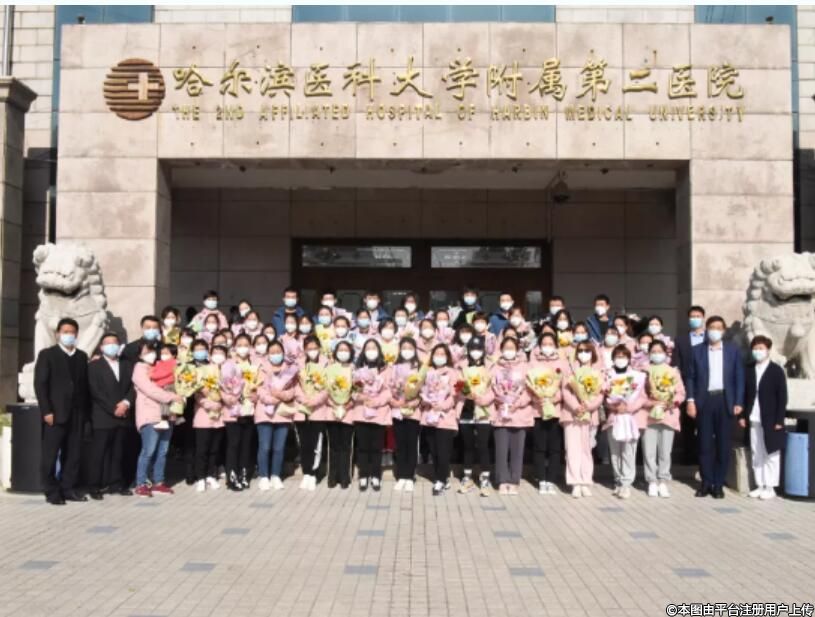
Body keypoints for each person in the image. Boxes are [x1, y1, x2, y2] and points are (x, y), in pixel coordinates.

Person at [686, 316, 745, 499]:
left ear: (724, 330)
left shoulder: (733, 350)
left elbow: (739, 377)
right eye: (712, 327)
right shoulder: (697, 350)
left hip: (725, 400)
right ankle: (706, 482)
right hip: (704, 401)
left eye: (719, 328)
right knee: (704, 444)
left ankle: (718, 484)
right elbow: (690, 377)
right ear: (706, 329)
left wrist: (738, 402)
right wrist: (690, 400)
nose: (715, 331)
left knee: (723, 444)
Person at [35, 318, 91, 505]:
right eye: (65, 332)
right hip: (55, 413)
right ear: (58, 333)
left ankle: (68, 488)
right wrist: (46, 410)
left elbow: (84, 385)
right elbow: (41, 384)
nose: (69, 335)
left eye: (72, 332)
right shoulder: (48, 354)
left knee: (73, 454)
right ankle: (51, 491)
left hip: (77, 413)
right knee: (50, 455)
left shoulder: (81, 356)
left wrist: (85, 414)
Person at [131, 341, 184, 497]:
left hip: (167, 414)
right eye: (146, 351)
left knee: (163, 451)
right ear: (140, 354)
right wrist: (172, 397)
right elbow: (150, 390)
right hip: (150, 415)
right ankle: (141, 483)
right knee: (148, 450)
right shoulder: (140, 368)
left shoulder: (161, 366)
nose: (151, 354)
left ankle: (158, 482)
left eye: (153, 351)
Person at [87, 332, 135, 500]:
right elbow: (95, 391)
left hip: (123, 415)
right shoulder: (94, 366)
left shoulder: (127, 364)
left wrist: (126, 403)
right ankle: (94, 486)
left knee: (118, 452)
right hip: (103, 416)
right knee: (98, 453)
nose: (111, 346)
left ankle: (116, 483)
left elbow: (133, 387)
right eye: (107, 343)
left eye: (114, 342)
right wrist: (113, 408)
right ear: (101, 347)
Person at [741, 335, 788, 500]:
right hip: (753, 417)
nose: (758, 351)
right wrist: (742, 416)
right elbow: (744, 394)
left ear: (768, 350)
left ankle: (770, 486)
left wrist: (779, 420)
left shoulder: (776, 370)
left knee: (771, 452)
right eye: (755, 348)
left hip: (771, 419)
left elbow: (782, 397)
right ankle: (759, 484)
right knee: (757, 452)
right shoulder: (748, 369)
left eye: (761, 348)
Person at [641, 340, 686, 498]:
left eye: (659, 351)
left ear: (666, 353)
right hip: (649, 416)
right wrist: (651, 403)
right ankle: (651, 481)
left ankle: (663, 480)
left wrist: (672, 402)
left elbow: (680, 392)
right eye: (653, 351)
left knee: (665, 452)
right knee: (649, 451)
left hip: (668, 415)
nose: (656, 354)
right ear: (649, 353)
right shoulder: (643, 371)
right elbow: (639, 395)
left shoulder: (673, 371)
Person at [602, 345, 646, 499]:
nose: (620, 359)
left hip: (630, 418)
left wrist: (628, 407)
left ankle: (626, 483)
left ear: (629, 359)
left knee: (628, 451)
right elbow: (603, 397)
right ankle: (618, 480)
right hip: (614, 418)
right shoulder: (607, 375)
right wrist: (613, 405)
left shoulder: (638, 376)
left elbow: (642, 397)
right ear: (613, 358)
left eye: (624, 356)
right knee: (615, 452)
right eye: (617, 356)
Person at [561, 341, 604, 498]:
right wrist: (575, 406)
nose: (583, 354)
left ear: (593, 353)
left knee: (586, 449)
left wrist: (589, 405)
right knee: (572, 449)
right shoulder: (569, 370)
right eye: (580, 351)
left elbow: (600, 394)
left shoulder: (598, 372)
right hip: (571, 415)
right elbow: (565, 391)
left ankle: (585, 481)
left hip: (590, 416)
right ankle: (575, 482)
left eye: (587, 351)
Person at [490, 337, 532, 496]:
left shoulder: (525, 367)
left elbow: (530, 391)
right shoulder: (495, 367)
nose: (509, 351)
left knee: (517, 450)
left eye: (512, 348)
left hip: (519, 414)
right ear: (501, 350)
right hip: (501, 414)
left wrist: (518, 403)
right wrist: (499, 399)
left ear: (517, 350)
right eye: (506, 348)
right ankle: (502, 480)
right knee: (501, 450)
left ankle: (514, 480)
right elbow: (489, 388)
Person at [528, 332, 568, 495]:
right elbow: (528, 385)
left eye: (550, 344)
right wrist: (538, 398)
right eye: (544, 344)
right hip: (538, 410)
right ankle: (541, 479)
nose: (547, 347)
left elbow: (565, 387)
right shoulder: (533, 362)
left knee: (554, 448)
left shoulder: (562, 363)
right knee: (539, 447)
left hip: (555, 411)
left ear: (556, 346)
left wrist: (553, 398)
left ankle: (551, 479)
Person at [256, 339, 299, 491]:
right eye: (272, 352)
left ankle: (275, 475)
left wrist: (281, 395)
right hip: (264, 413)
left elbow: (293, 390)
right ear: (268, 354)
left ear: (283, 353)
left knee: (279, 448)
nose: (275, 355)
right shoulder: (262, 368)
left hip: (282, 412)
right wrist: (272, 399)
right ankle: (264, 476)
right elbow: (259, 390)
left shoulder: (290, 369)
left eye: (278, 352)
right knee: (265, 446)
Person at [352, 339, 392, 491]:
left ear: (379, 350)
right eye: (368, 348)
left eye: (374, 348)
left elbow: (389, 392)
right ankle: (363, 475)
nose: (371, 351)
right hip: (361, 412)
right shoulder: (357, 368)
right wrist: (361, 397)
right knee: (363, 447)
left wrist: (376, 401)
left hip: (379, 413)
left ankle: (375, 475)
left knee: (377, 447)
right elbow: (352, 390)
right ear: (363, 351)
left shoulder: (386, 369)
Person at [219, 334, 258, 491]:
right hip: (232, 410)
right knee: (233, 444)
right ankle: (232, 477)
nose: (243, 348)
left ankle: (244, 474)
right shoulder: (228, 364)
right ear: (234, 347)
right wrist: (229, 398)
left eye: (246, 345)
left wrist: (255, 395)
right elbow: (221, 387)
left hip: (249, 410)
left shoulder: (254, 364)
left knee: (246, 445)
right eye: (240, 345)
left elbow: (261, 385)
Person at [420, 343, 459, 496]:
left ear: (447, 356)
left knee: (443, 451)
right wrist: (427, 401)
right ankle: (441, 477)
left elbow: (455, 395)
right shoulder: (427, 372)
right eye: (437, 354)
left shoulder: (452, 373)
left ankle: (440, 480)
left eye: (442, 354)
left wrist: (442, 406)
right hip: (429, 416)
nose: (439, 357)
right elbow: (421, 390)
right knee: (434, 451)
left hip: (445, 418)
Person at [456, 337, 493, 496]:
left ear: (483, 350)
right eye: (472, 349)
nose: (475, 352)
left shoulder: (490, 366)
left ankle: (485, 478)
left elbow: (494, 388)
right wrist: (467, 393)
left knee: (483, 445)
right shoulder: (462, 366)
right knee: (468, 446)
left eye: (478, 349)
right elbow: (458, 385)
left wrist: (482, 398)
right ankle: (467, 477)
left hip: (483, 411)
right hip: (466, 410)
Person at [673, 305, 707, 465]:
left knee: (704, 424)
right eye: (692, 316)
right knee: (687, 423)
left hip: (706, 386)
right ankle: (688, 455)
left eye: (698, 316)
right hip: (687, 384)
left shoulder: (710, 339)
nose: (695, 319)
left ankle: (703, 455)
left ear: (703, 318)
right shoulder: (681, 340)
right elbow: (677, 363)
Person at [294, 336, 327, 490]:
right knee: (304, 444)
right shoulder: (299, 364)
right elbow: (295, 385)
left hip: (318, 410)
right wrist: (303, 398)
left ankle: (314, 473)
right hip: (302, 410)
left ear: (319, 348)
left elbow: (328, 387)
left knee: (316, 444)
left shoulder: (326, 364)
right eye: (309, 348)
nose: (312, 351)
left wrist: (314, 400)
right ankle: (306, 472)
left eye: (314, 348)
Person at [390, 337, 422, 492]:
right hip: (398, 411)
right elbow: (389, 387)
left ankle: (410, 476)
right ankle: (401, 475)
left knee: (411, 444)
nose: (407, 351)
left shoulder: (420, 367)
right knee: (400, 445)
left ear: (415, 349)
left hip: (413, 412)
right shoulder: (394, 367)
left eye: (410, 348)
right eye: (404, 348)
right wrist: (395, 399)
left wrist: (414, 402)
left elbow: (424, 390)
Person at [193, 343, 226, 492]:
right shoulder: (201, 371)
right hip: (203, 415)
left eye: (221, 353)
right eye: (215, 352)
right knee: (202, 449)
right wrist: (210, 404)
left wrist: (221, 402)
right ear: (210, 355)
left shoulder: (226, 371)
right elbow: (197, 393)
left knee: (215, 449)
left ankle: (211, 475)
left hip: (220, 417)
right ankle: (200, 477)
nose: (218, 355)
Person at [325, 341, 356, 489]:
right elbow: (324, 389)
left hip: (348, 411)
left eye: (346, 350)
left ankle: (345, 477)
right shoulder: (329, 369)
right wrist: (333, 404)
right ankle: (332, 476)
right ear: (335, 352)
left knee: (346, 445)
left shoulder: (354, 369)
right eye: (340, 350)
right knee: (333, 445)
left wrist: (346, 406)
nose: (343, 352)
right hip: (332, 410)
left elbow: (357, 390)